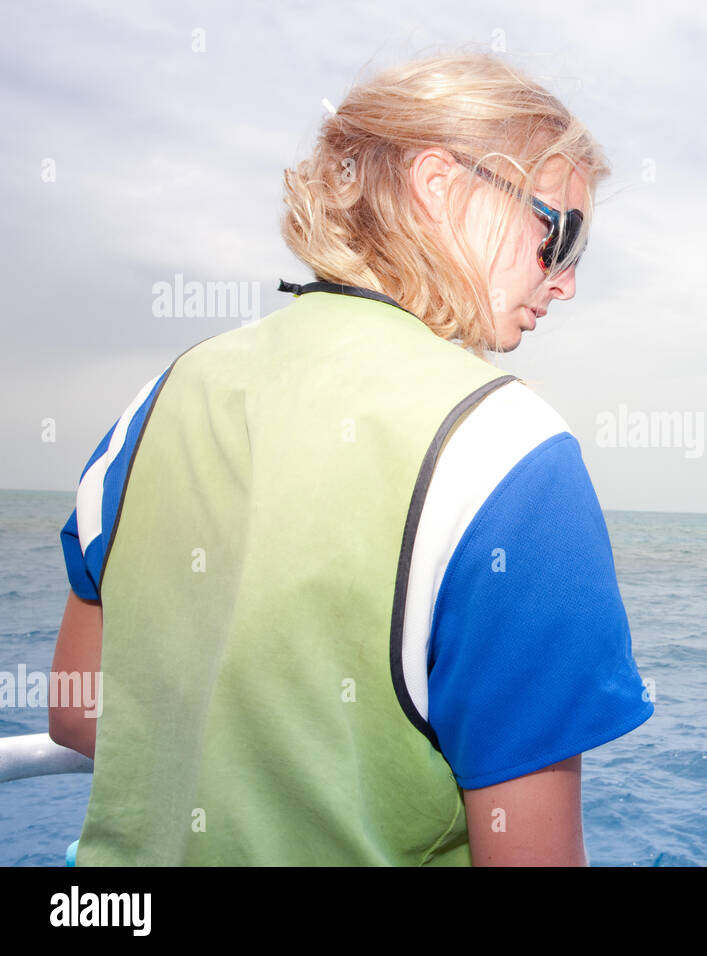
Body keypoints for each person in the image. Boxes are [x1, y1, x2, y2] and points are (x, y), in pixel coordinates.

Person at [49, 52, 654, 866]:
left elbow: (78, 711)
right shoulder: (510, 451)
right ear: (440, 186)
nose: (566, 283)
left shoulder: (160, 396)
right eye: (559, 235)